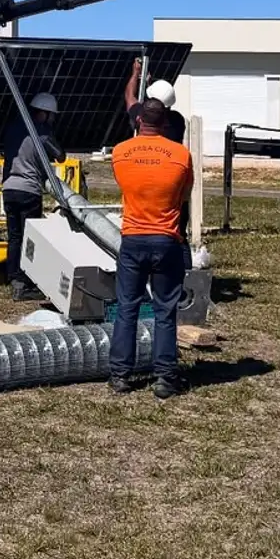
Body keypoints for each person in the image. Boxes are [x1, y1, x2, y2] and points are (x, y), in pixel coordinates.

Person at [108, 97, 193, 400]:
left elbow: (124, 184)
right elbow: (184, 197)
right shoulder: (181, 155)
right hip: (166, 239)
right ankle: (165, 378)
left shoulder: (120, 153)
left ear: (139, 120)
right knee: (165, 311)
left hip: (132, 238)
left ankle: (120, 375)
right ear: (165, 122)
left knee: (127, 309)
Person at [1, 92, 64, 302]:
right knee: (30, 239)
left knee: (14, 237)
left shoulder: (12, 130)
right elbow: (61, 156)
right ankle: (26, 282)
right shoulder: (42, 134)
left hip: (9, 189)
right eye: (51, 115)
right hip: (29, 191)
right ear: (44, 114)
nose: (53, 119)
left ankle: (13, 279)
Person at [124, 57, 186, 144]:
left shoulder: (144, 116)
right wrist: (149, 84)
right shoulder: (177, 120)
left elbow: (129, 96)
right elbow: (157, 104)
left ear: (139, 119)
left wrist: (135, 73)